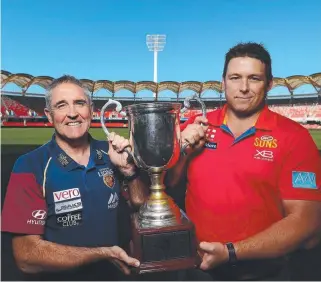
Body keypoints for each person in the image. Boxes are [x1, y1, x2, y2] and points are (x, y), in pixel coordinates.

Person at [166, 42, 321, 280]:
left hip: (265, 272)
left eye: (254, 78)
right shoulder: (197, 126)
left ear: (269, 83)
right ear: (223, 81)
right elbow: (168, 188)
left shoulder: (294, 138)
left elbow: (306, 222)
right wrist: (185, 152)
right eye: (236, 77)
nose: (244, 87)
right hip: (196, 268)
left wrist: (231, 252)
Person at [1, 75, 149, 281]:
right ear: (49, 115)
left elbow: (141, 205)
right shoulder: (29, 166)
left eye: (79, 103)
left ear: (91, 109)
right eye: (61, 105)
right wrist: (102, 254)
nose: (72, 114)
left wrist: (130, 171)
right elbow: (26, 257)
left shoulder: (111, 153)